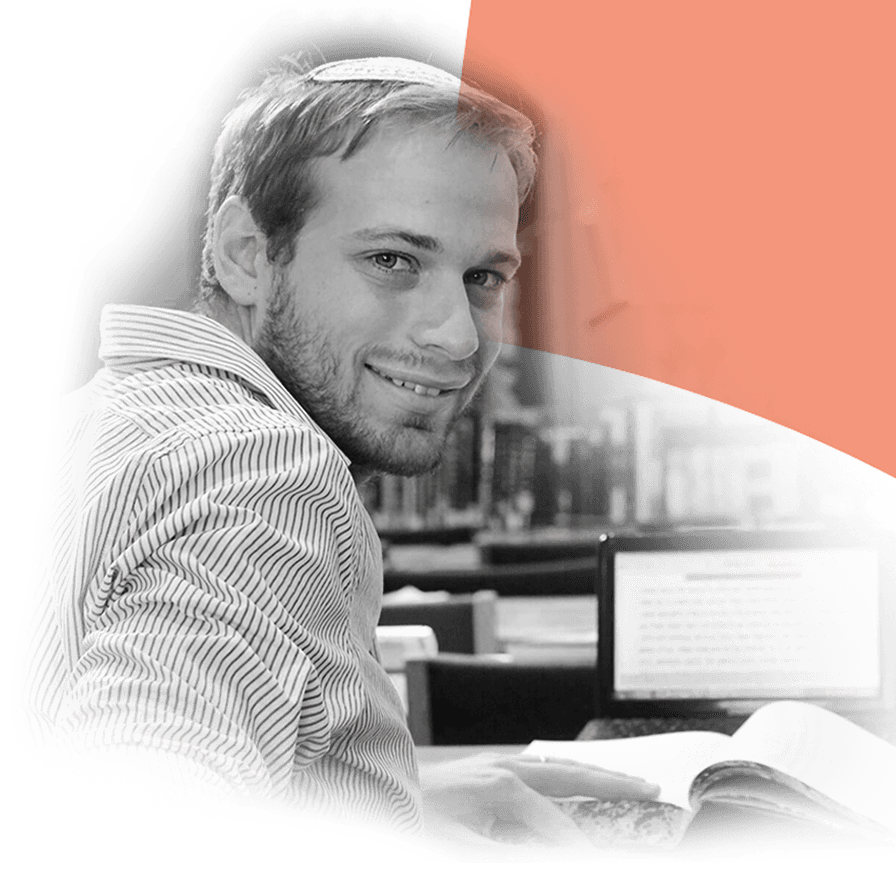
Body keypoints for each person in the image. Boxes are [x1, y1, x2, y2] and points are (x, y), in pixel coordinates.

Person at [14, 55, 658, 848]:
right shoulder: (262, 470)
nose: (457, 335)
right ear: (245, 254)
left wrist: (383, 807)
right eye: (393, 260)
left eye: (484, 276)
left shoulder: (95, 415)